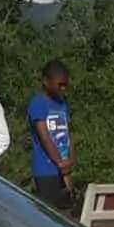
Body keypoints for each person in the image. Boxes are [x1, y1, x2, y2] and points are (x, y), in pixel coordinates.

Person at [27, 62, 74, 209]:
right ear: (46, 82)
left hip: (62, 169)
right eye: (59, 84)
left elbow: (68, 135)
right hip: (46, 169)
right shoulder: (38, 103)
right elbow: (45, 137)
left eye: (65, 85)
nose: (63, 88)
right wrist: (60, 163)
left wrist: (70, 161)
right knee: (49, 212)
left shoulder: (62, 105)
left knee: (65, 212)